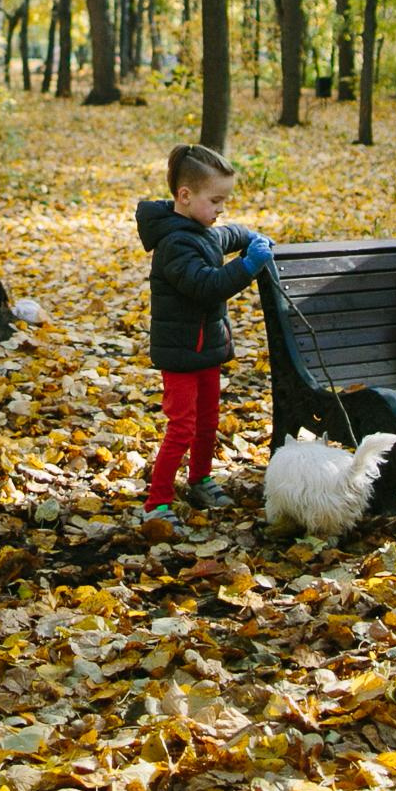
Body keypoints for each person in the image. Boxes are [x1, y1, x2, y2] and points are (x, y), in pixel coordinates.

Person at [135, 143, 273, 531]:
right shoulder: (175, 244)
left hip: (206, 348)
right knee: (182, 426)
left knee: (208, 422)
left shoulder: (203, 229)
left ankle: (200, 479)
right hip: (181, 353)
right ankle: (157, 501)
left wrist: (251, 237)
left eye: (224, 202)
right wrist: (248, 267)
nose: (220, 210)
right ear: (185, 196)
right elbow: (206, 285)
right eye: (215, 200)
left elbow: (229, 234)